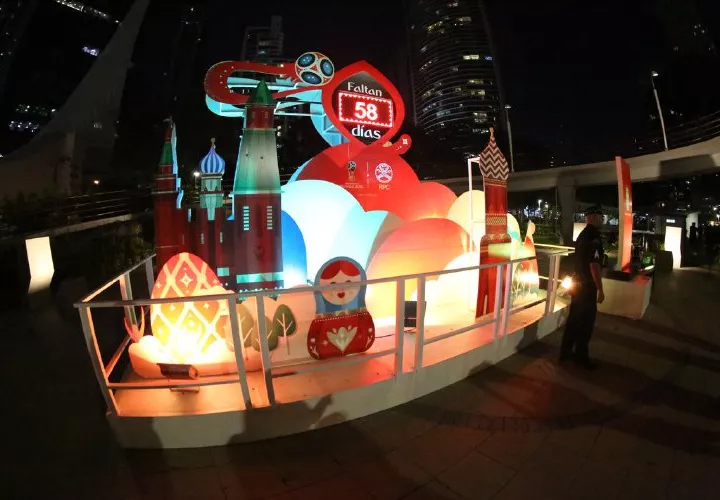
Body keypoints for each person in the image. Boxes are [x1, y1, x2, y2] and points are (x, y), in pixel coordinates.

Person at [560, 205, 605, 370]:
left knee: (574, 319)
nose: (603, 220)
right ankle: (581, 356)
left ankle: (565, 352)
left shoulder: (582, 235)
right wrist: (600, 288)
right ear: (592, 217)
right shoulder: (594, 237)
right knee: (586, 323)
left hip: (577, 283)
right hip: (587, 287)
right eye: (601, 217)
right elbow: (594, 265)